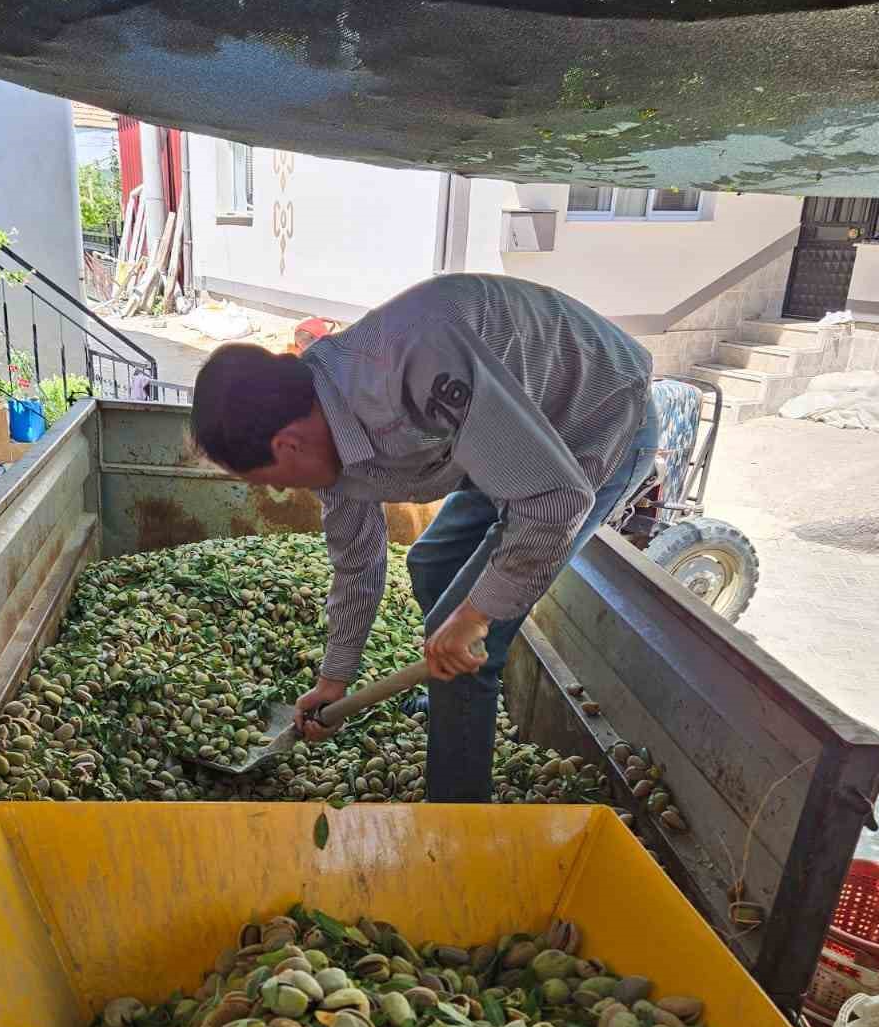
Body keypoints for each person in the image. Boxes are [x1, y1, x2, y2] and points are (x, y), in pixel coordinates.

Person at [189, 273, 659, 802]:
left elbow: (555, 501)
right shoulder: (325, 431)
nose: (277, 489)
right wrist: (335, 678)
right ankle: (454, 697)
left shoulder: (411, 367)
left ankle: (456, 819)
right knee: (431, 564)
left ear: (287, 443)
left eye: (268, 479)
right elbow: (358, 564)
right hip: (505, 435)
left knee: (461, 626)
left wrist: (473, 618)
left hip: (593, 422)